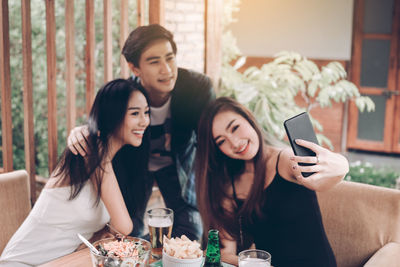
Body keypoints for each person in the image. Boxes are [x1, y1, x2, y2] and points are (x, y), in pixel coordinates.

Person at [67, 24, 215, 241]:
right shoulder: (126, 93)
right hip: (136, 165)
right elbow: (99, 126)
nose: (166, 69)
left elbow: (214, 133)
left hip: (178, 164)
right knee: (128, 232)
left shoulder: (197, 87)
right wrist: (80, 132)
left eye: (170, 58)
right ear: (134, 68)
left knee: (191, 231)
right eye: (154, 62)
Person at [0, 79, 150, 266]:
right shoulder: (91, 150)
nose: (145, 121)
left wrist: (101, 233)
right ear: (113, 114)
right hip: (23, 262)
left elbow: (113, 228)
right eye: (135, 113)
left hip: (64, 261)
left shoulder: (113, 162)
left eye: (146, 112)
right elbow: (124, 226)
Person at [196, 97, 349, 267]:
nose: (234, 143)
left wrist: (342, 165)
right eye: (221, 141)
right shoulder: (230, 186)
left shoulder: (284, 160)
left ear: (249, 119)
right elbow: (224, 253)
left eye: (235, 127)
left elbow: (320, 182)